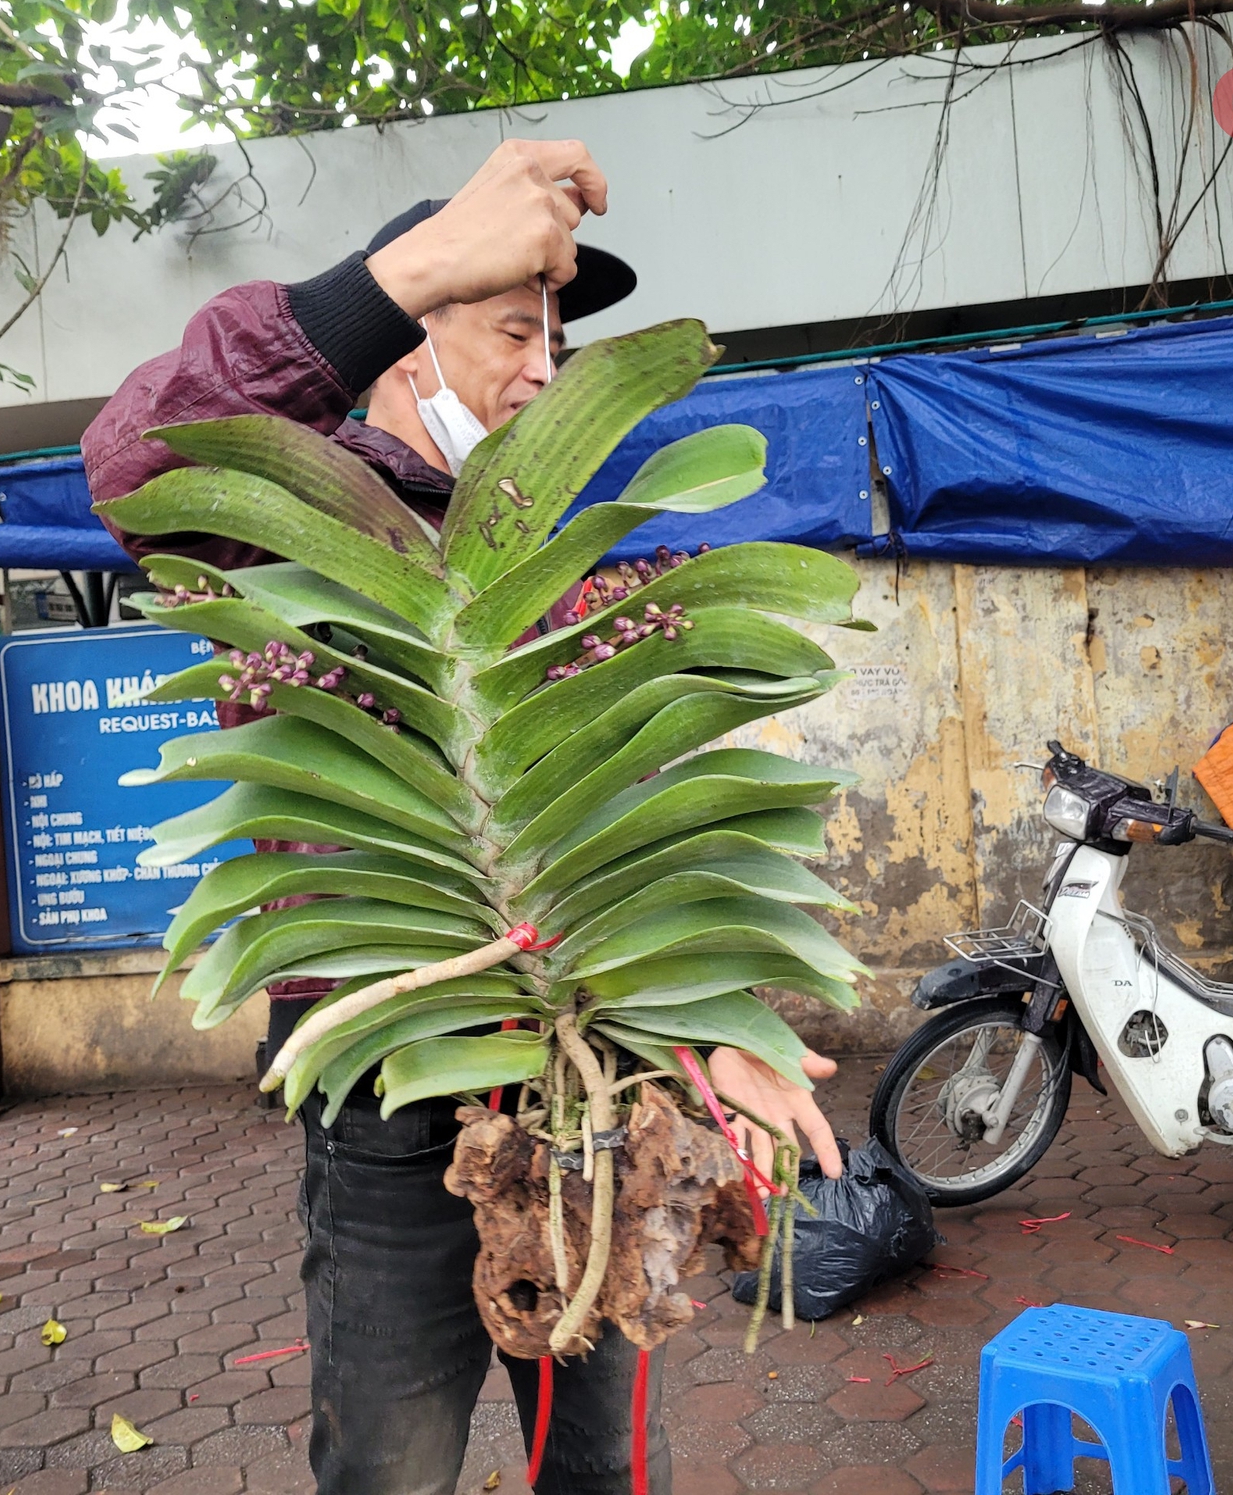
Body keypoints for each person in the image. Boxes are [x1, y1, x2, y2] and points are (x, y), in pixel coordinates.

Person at [84, 139, 843, 1495]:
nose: (548, 369)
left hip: (599, 1085)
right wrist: (411, 263)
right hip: (391, 1093)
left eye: (561, 342)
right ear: (405, 343)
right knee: (394, 1464)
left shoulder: (553, 563)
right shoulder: (293, 518)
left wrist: (724, 1026)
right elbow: (135, 463)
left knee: (601, 1461)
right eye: (512, 327)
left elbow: (636, 814)